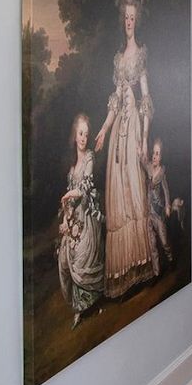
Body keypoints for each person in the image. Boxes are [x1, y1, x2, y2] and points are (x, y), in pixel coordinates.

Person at [95, 0, 154, 298]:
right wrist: (103, 129)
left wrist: (144, 138)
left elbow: (146, 99)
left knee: (134, 191)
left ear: (137, 20)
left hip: (135, 131)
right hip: (119, 128)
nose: (129, 22)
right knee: (117, 193)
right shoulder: (118, 60)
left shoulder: (140, 55)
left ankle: (140, 261)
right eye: (125, 18)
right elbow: (116, 100)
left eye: (133, 17)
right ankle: (122, 269)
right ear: (123, 20)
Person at [58, 114, 104, 329]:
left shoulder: (90, 158)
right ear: (75, 136)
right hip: (74, 217)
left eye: (86, 133)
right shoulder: (71, 167)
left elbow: (84, 188)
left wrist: (68, 197)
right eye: (80, 133)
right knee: (65, 261)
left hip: (88, 215)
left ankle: (90, 305)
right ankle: (79, 307)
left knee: (83, 260)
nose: (84, 137)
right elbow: (69, 196)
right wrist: (66, 217)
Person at [141, 138, 173, 276]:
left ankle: (170, 258)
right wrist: (138, 152)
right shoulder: (149, 167)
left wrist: (167, 205)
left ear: (161, 157)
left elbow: (166, 190)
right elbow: (142, 162)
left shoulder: (161, 173)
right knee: (152, 244)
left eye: (157, 154)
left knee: (164, 241)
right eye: (153, 153)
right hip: (149, 212)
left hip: (158, 212)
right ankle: (156, 272)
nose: (154, 156)